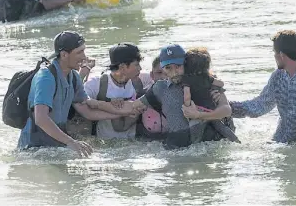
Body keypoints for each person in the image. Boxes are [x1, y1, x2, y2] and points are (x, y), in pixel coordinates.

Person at [17, 31, 145, 156]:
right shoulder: (46, 77)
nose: (84, 57)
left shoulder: (73, 77)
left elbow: (87, 112)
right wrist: (71, 142)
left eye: (84, 51)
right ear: (64, 55)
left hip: (56, 145)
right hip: (33, 149)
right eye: (79, 52)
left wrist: (122, 113)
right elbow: (41, 119)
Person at [87, 44, 232, 149]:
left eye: (178, 66)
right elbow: (134, 106)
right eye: (168, 68)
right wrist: (99, 103)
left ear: (185, 64)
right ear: (163, 69)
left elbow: (226, 109)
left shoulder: (204, 81)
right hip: (178, 148)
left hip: (210, 144)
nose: (174, 72)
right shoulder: (160, 87)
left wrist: (199, 115)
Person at [83, 43, 143, 139]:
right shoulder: (97, 83)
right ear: (123, 67)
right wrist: (107, 104)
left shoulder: (139, 81)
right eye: (136, 64)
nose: (140, 68)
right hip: (104, 146)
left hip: (132, 144)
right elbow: (82, 100)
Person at [181, 47, 239, 143]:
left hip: (200, 112)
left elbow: (226, 110)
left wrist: (191, 109)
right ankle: (236, 140)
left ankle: (194, 145)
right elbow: (221, 83)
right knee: (221, 127)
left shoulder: (187, 80)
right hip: (211, 111)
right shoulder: (208, 78)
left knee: (195, 135)